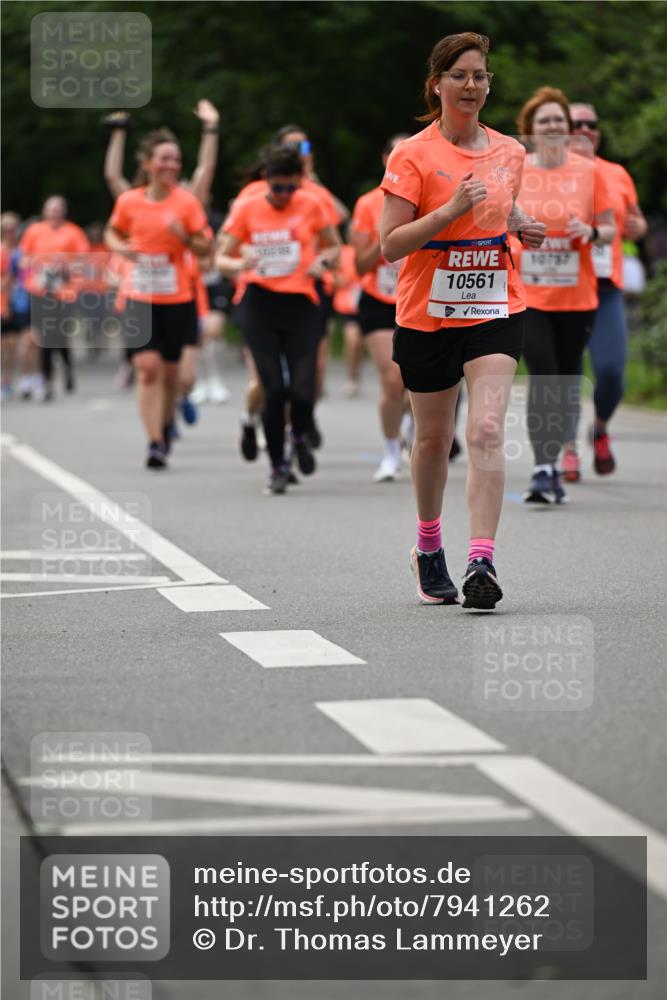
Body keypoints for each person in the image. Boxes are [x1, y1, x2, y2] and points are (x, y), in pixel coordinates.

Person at [380, 32, 545, 609]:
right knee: (432, 438)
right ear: (437, 85)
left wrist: (520, 221)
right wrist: (448, 211)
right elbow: (390, 244)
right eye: (460, 76)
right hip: (427, 313)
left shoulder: (510, 152)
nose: (472, 86)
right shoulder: (412, 155)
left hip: (496, 305)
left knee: (488, 430)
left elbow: (498, 204)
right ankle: (429, 546)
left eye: (480, 75)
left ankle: (482, 560)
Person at [216, 146, 341, 495]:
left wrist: (324, 263)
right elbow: (221, 257)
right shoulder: (247, 208)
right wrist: (240, 264)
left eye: (291, 188)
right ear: (266, 182)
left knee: (303, 390)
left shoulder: (311, 205)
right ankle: (277, 466)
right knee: (273, 390)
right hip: (260, 306)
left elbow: (333, 246)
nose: (284, 196)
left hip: (302, 305)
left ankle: (299, 435)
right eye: (278, 188)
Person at [513, 88, 615, 504]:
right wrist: (517, 229)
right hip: (529, 293)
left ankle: (553, 464)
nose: (554, 127)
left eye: (559, 120)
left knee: (566, 378)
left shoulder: (590, 171)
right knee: (544, 373)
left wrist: (590, 233)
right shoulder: (517, 168)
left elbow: (609, 227)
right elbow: (497, 217)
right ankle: (542, 469)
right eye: (545, 122)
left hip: (577, 295)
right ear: (531, 131)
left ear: (569, 130)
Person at [102, 101, 222, 415]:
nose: (174, 177)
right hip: (145, 295)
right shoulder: (135, 203)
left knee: (185, 377)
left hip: (185, 296)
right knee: (153, 369)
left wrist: (211, 128)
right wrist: (118, 132)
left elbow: (205, 169)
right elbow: (113, 177)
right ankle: (161, 429)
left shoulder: (188, 204)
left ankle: (176, 403)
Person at [560, 103, 648, 479]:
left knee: (611, 372)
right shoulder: (544, 173)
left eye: (591, 124)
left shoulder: (617, 174)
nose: (584, 129)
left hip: (604, 288)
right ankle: (567, 449)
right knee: (567, 373)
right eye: (575, 123)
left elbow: (636, 222)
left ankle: (599, 428)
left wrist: (638, 226)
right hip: (561, 289)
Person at [352, 134, 414, 481]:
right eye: (393, 152)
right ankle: (391, 452)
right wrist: (387, 238)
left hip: (419, 296)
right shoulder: (367, 204)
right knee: (392, 381)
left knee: (417, 383)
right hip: (379, 301)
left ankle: (408, 426)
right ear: (384, 159)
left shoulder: (430, 194)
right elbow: (359, 266)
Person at [19, 197, 90, 400]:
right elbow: (24, 259)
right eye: (51, 209)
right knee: (44, 337)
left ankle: (67, 369)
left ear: (64, 212)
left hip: (65, 292)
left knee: (60, 336)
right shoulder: (34, 231)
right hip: (41, 291)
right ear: (44, 211)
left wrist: (65, 265)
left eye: (58, 209)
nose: (55, 213)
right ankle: (47, 380)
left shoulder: (74, 232)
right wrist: (37, 264)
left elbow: (83, 261)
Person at [332, 242, 363, 396]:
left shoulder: (375, 247)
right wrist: (340, 279)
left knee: (360, 343)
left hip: (370, 304)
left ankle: (356, 372)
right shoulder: (342, 252)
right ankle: (352, 376)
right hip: (348, 305)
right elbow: (333, 275)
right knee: (353, 339)